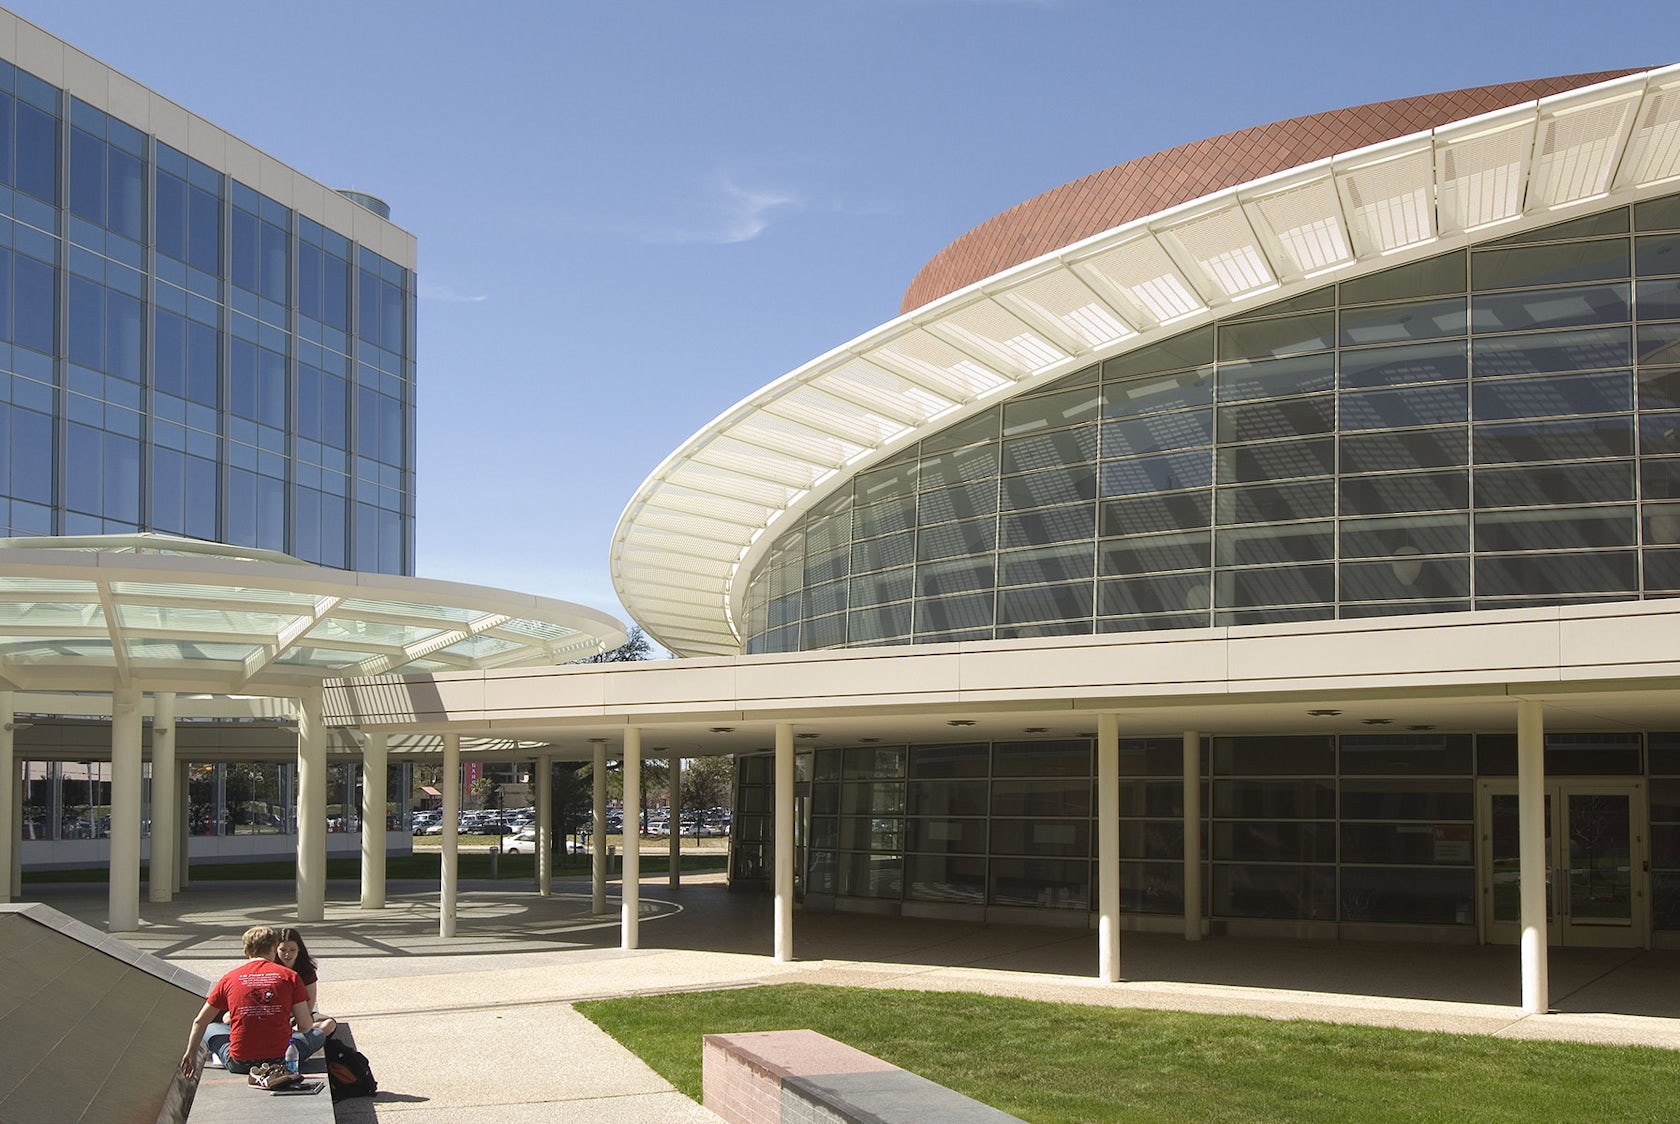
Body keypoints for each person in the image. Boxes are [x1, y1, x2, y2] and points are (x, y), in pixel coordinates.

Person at [179, 925, 337, 1077]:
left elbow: (200, 1021)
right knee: (317, 1034)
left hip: (240, 1062)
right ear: (274, 949)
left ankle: (220, 1056)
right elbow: (305, 1025)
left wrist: (190, 1053)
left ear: (246, 951)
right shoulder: (290, 976)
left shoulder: (229, 978)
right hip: (282, 1058)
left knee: (212, 1027)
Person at [274, 927, 322, 1014]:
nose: (287, 954)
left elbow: (310, 1002)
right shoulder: (271, 968)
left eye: (292, 950)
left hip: (301, 1014)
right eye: (283, 950)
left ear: (299, 949)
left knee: (329, 1023)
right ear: (276, 950)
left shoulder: (306, 970)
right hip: (277, 1015)